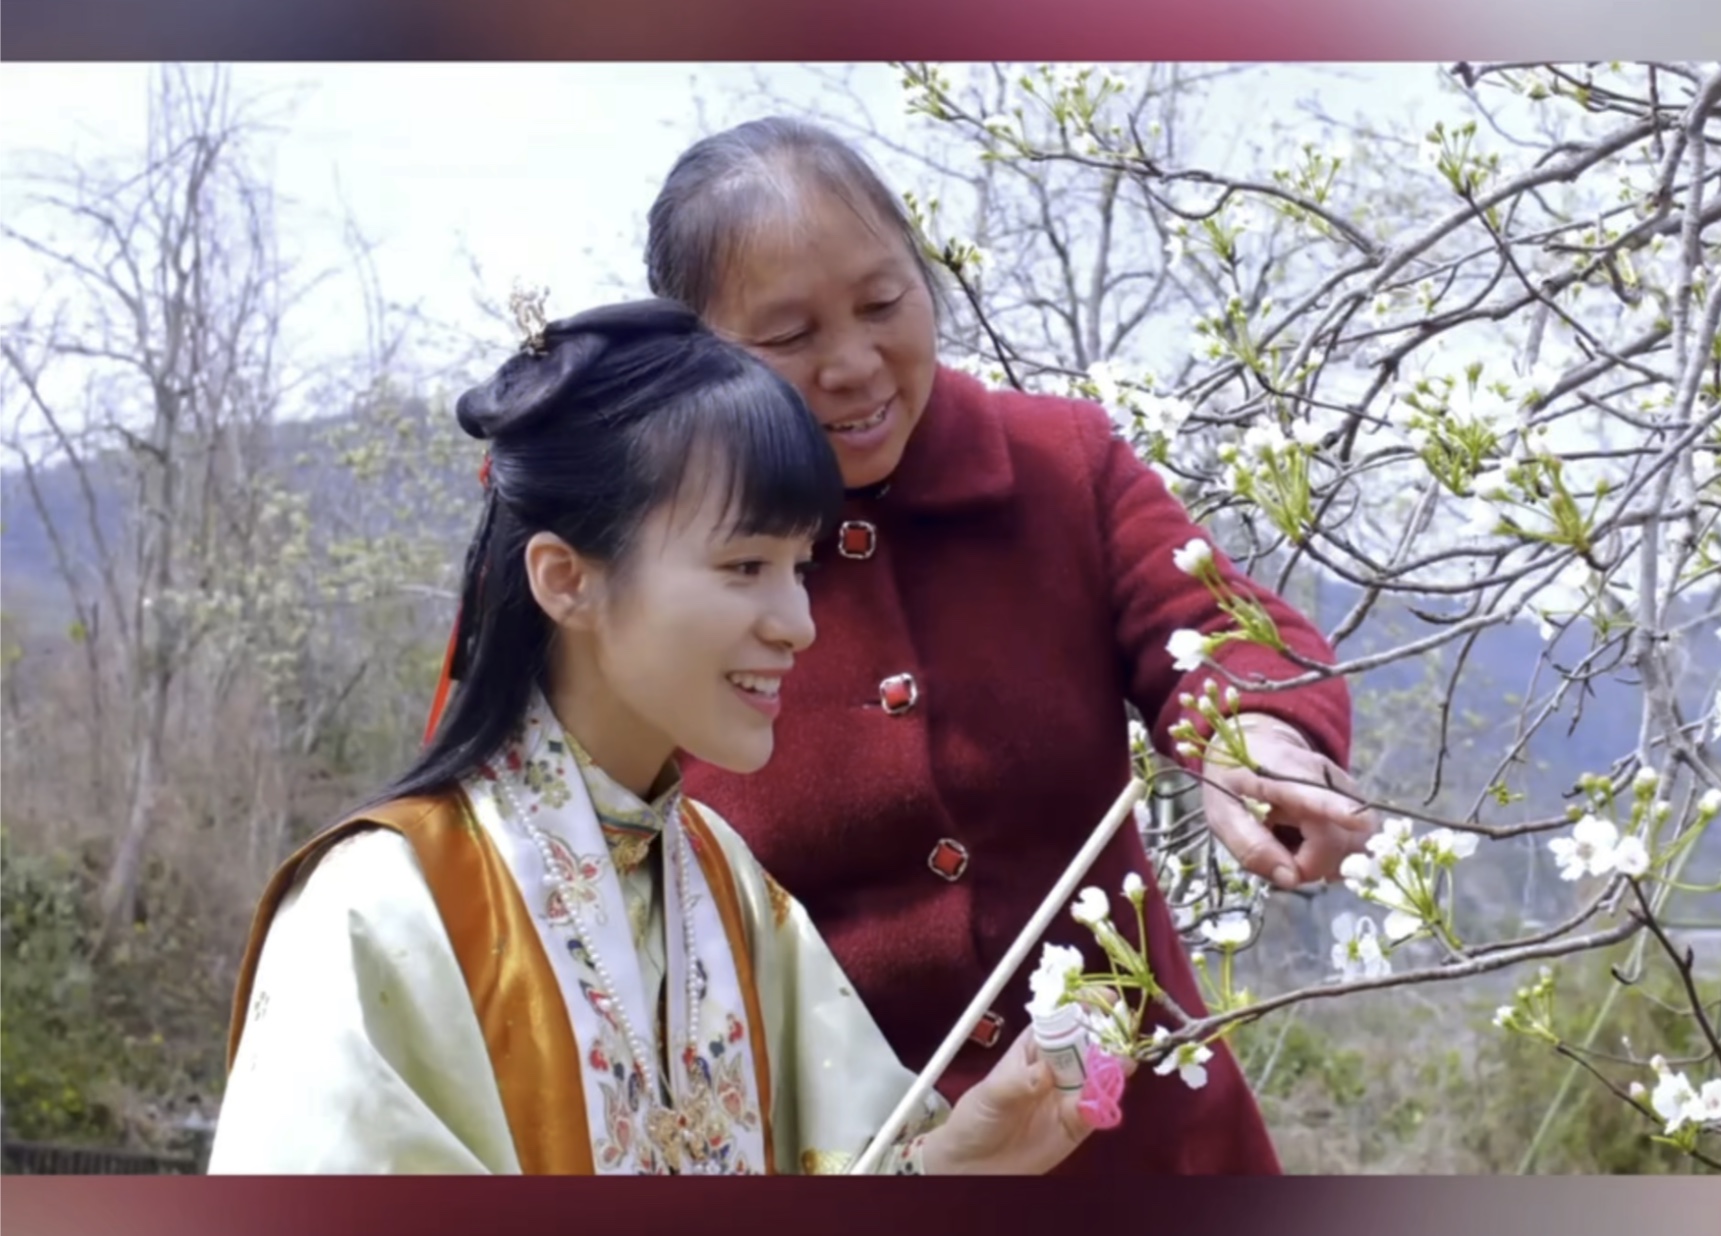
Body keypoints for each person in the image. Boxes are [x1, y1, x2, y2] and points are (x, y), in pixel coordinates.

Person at [208, 299, 1114, 1175]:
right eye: (745, 565)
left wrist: (956, 1170)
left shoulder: (729, 891)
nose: (797, 621)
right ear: (567, 580)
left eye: (800, 566)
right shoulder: (380, 908)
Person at [642, 118, 1371, 1175]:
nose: (854, 364)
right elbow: (517, 821)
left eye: (885, 304)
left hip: (1135, 1138)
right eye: (789, 337)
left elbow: (1214, 627)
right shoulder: (642, 551)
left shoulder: (1056, 465)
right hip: (823, 1154)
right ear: (693, 352)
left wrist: (1254, 738)